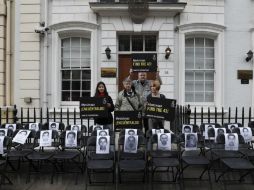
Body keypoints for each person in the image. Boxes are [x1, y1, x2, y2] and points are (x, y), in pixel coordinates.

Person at [129, 69, 162, 134]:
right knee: (138, 126)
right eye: (141, 75)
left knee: (147, 126)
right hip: (137, 108)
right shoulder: (134, 82)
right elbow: (127, 83)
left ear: (146, 76)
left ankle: (147, 139)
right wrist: (130, 74)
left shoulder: (150, 82)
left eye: (144, 75)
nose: (142, 76)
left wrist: (157, 75)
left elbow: (159, 83)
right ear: (138, 76)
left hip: (147, 109)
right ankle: (140, 139)